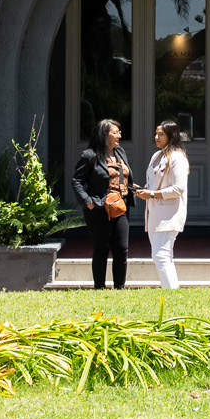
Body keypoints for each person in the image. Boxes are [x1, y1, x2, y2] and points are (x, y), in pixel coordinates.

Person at [72, 118, 131, 290]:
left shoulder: (120, 153)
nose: (119, 135)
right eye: (115, 132)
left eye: (119, 132)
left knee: (121, 249)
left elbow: (123, 178)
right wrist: (88, 202)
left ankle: (119, 288)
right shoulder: (89, 155)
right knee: (102, 248)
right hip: (99, 209)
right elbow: (76, 181)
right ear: (104, 134)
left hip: (120, 207)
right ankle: (99, 287)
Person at [140, 119, 190, 289]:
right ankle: (169, 291)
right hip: (154, 214)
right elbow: (154, 183)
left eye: (161, 134)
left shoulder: (177, 158)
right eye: (156, 133)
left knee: (161, 256)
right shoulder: (157, 155)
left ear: (171, 135)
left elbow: (178, 189)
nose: (156, 137)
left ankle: (171, 294)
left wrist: (152, 194)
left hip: (169, 216)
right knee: (160, 257)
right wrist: (145, 190)